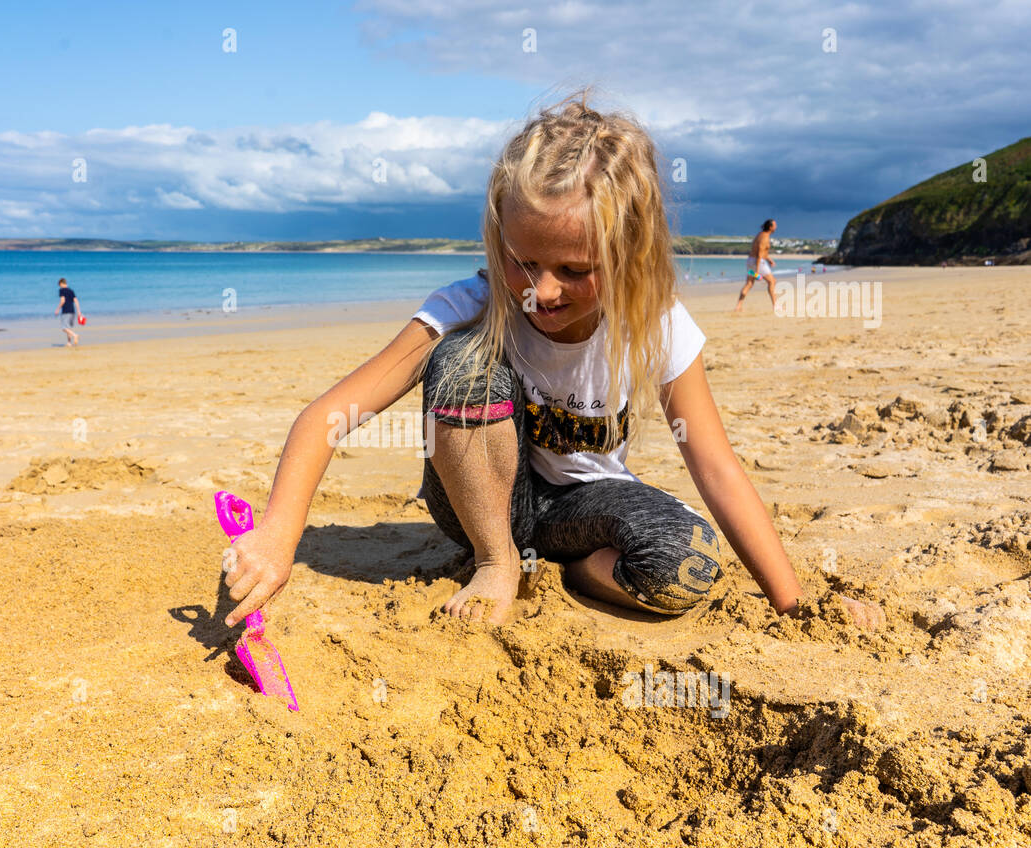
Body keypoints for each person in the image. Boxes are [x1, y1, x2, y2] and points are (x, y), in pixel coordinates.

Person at [219, 92, 878, 629]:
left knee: (690, 564)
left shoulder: (656, 325)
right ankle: (498, 562)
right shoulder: (474, 302)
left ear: (629, 258)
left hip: (585, 505)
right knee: (462, 357)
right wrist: (279, 533)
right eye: (522, 260)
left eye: (573, 268)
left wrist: (795, 607)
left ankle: (570, 570)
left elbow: (716, 468)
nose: (541, 288)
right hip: (481, 506)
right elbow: (329, 414)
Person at [734, 220, 777, 312]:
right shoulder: (765, 237)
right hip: (758, 262)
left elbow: (761, 252)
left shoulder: (760, 235)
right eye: (775, 225)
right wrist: (757, 271)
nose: (776, 227)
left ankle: (738, 306)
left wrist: (769, 260)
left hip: (750, 261)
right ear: (770, 227)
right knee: (772, 281)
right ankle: (775, 306)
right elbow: (759, 254)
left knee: (749, 283)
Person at [55, 278, 82, 346]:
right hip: (72, 311)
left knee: (64, 328)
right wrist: (79, 312)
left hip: (66, 311)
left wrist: (57, 309)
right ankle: (69, 342)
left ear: (61, 283)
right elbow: (76, 301)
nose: (60, 286)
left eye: (59, 285)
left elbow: (62, 301)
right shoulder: (71, 291)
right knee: (68, 327)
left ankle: (75, 335)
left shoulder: (61, 290)